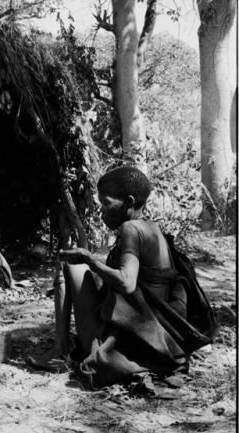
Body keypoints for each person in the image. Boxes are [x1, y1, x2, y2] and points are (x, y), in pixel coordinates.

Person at [29, 166, 217, 389]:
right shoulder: (153, 229)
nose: (101, 212)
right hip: (159, 345)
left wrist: (90, 261)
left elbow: (127, 284)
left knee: (69, 265)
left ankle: (60, 352)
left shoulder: (131, 229)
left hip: (131, 346)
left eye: (106, 203)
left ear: (129, 202)